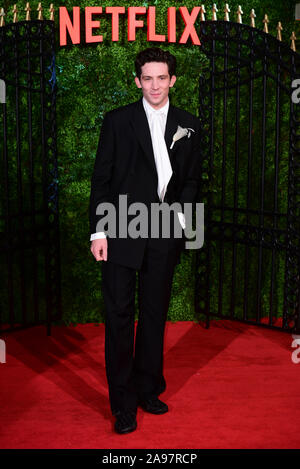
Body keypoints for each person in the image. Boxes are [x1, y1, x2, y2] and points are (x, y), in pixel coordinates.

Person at [89, 47, 201, 434]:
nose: (154, 85)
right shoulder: (117, 121)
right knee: (120, 318)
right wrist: (99, 231)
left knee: (154, 316)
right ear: (138, 81)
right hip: (120, 228)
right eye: (147, 78)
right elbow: (101, 180)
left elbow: (191, 182)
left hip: (164, 231)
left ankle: (148, 389)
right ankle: (122, 404)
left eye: (161, 77)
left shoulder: (190, 124)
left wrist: (183, 222)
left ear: (173, 80)